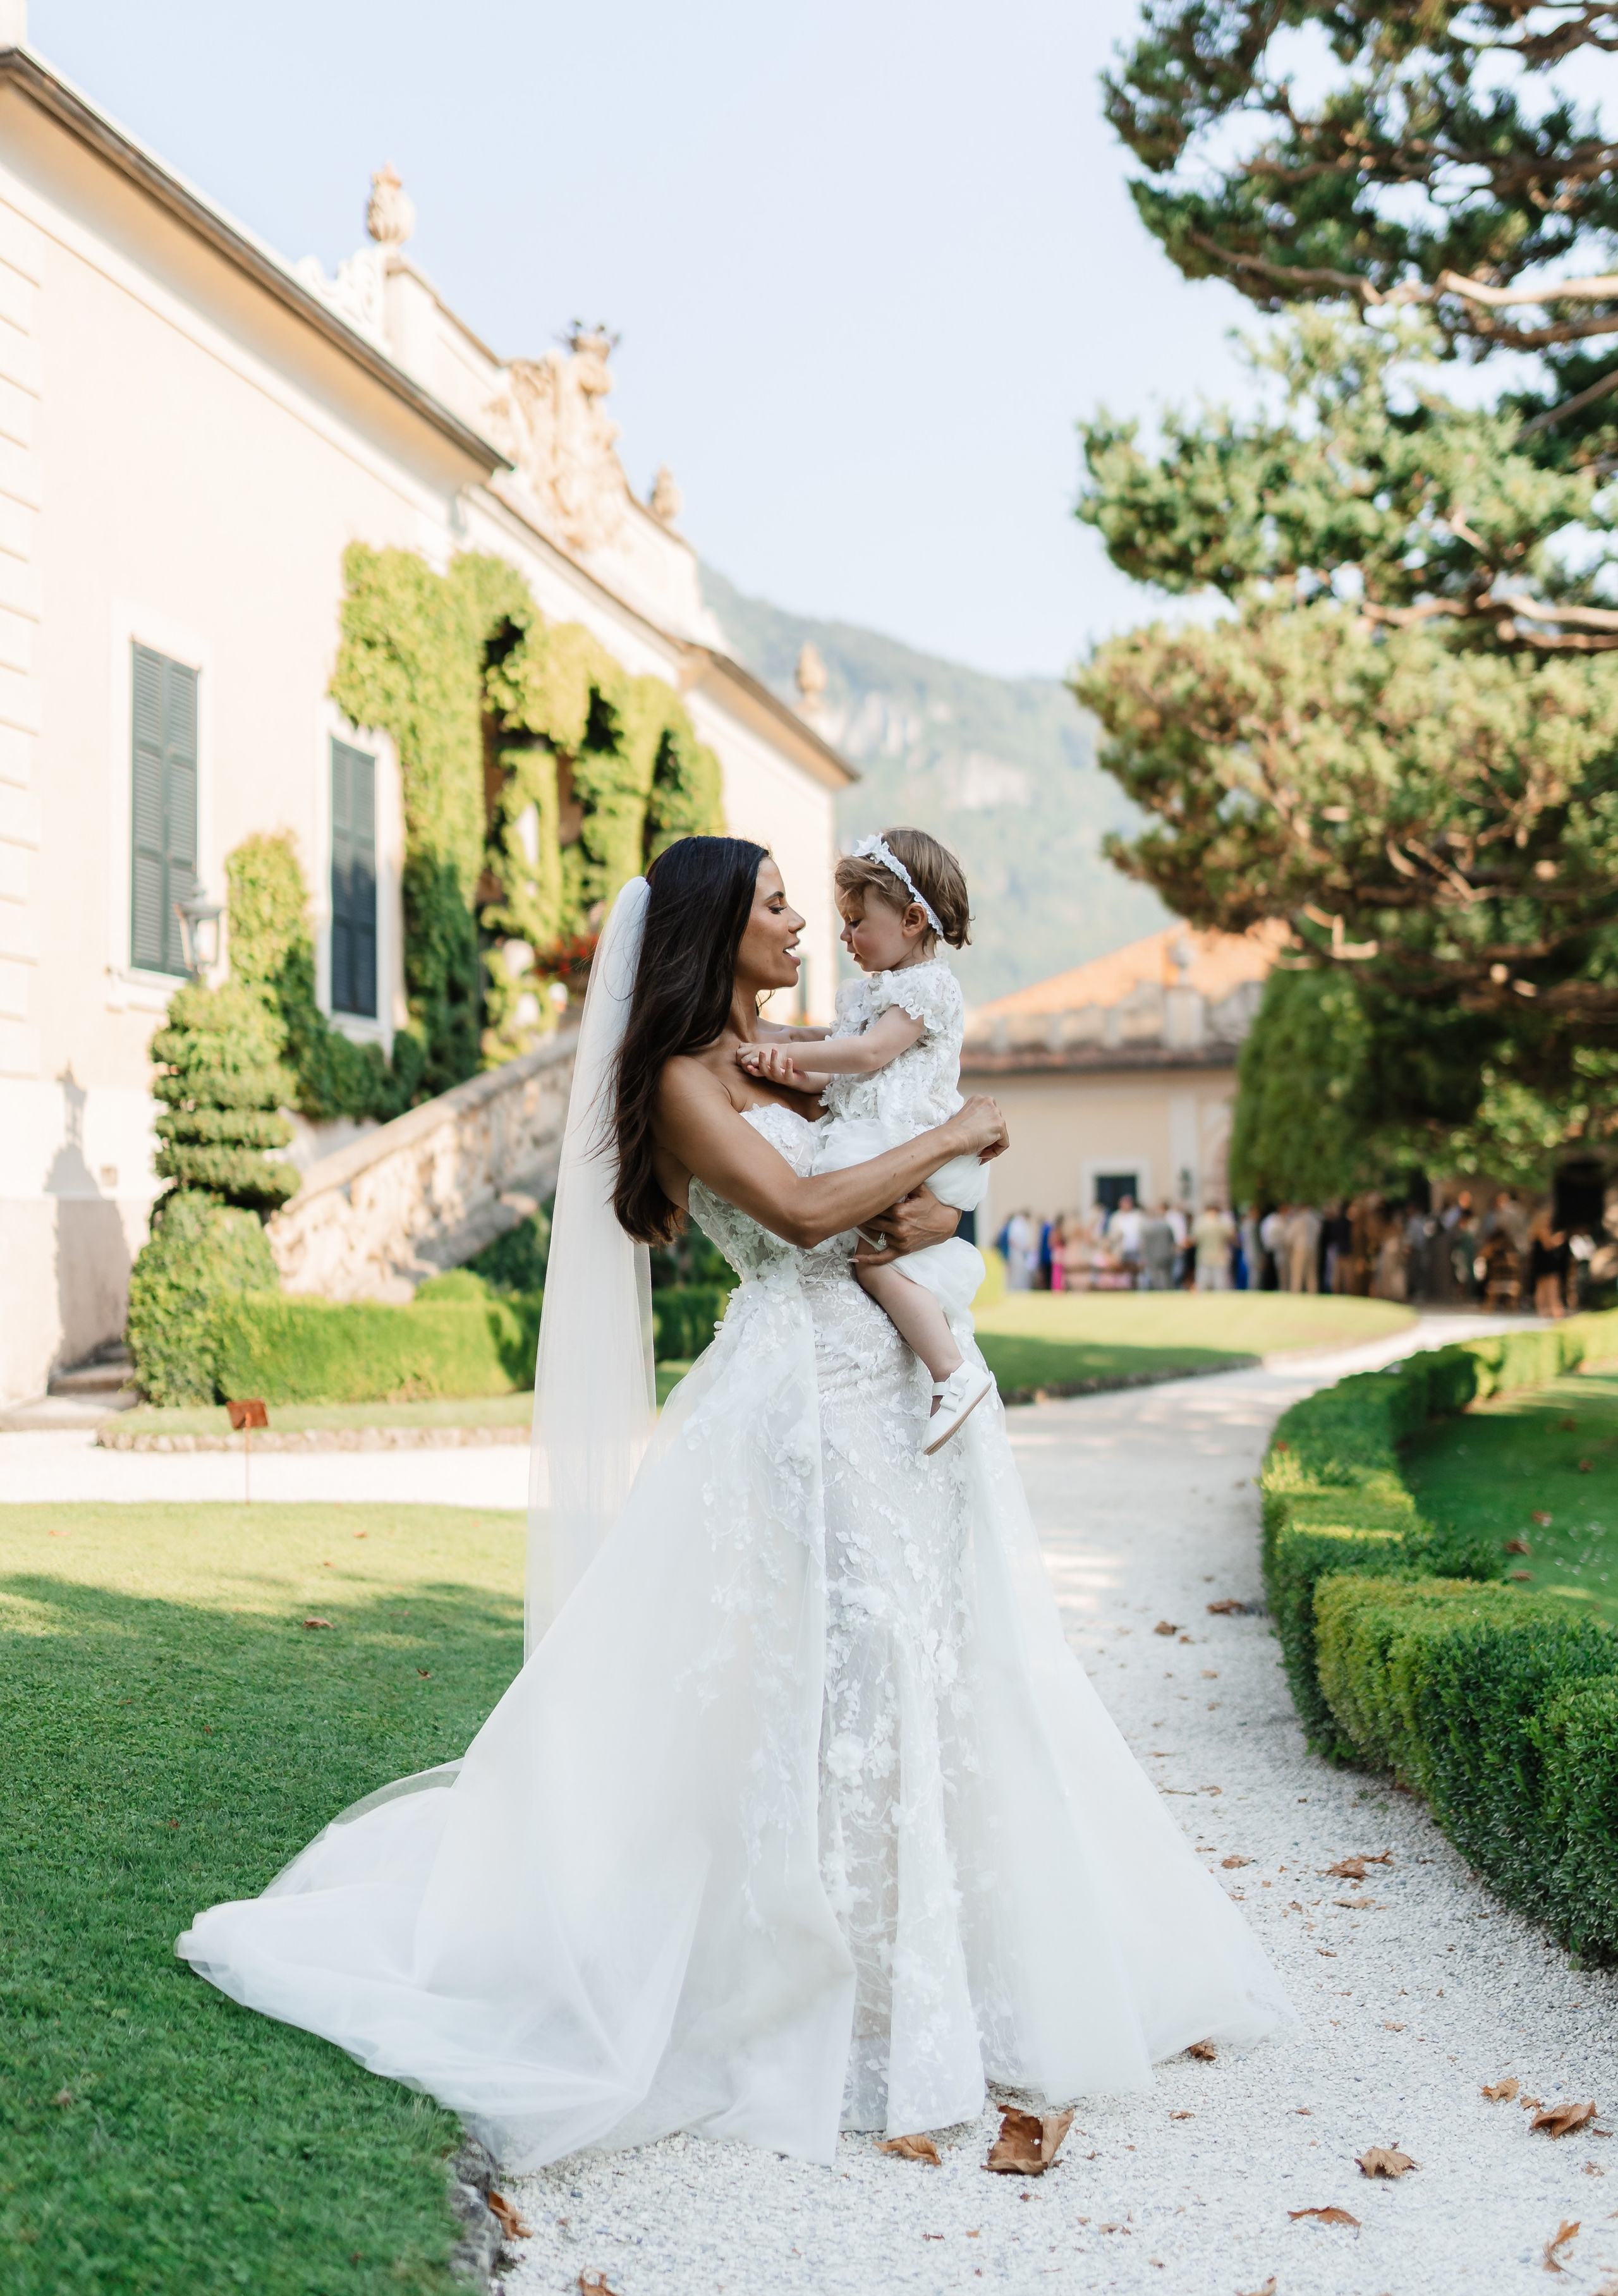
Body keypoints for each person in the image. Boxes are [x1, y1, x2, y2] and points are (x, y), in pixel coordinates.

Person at [176, 840, 1291, 2171]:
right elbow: (806, 1211)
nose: (800, 920)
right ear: (715, 928)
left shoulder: (800, 1053)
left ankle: (945, 1971)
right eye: (772, 903)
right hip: (799, 1400)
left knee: (939, 1659)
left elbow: (897, 1198)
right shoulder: (683, 1078)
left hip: (900, 1392)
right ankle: (825, 1988)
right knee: (843, 1664)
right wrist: (952, 1137)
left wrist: (938, 1203)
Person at [738, 829, 993, 1455]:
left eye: (856, 923)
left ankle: (952, 1371)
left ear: (911, 920)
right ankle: (947, 1368)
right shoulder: (871, 993)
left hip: (900, 1132)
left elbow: (870, 1054)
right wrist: (783, 1063)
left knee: (875, 1265)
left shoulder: (927, 986)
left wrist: (793, 1053)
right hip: (876, 1129)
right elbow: (836, 1072)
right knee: (883, 1259)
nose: (844, 937)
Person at [1529, 1205, 1569, 1320]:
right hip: (1547, 1262)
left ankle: (1543, 1311)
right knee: (1552, 1287)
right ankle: (1555, 1311)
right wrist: (1559, 1238)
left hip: (1540, 1261)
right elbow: (1548, 1245)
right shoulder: (1542, 1230)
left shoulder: (1534, 1231)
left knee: (1542, 1286)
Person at [1193, 1201, 1235, 1290]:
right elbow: (1232, 1236)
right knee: (1221, 1285)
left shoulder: (1200, 1222)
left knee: (1203, 1284)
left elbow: (1194, 1239)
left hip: (1204, 1256)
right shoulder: (1223, 1221)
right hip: (1220, 1257)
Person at [1108, 1192, 1145, 1287]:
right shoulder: (1116, 1217)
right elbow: (1111, 1235)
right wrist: (1118, 1235)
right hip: (1121, 1250)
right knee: (1123, 1273)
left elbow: (1143, 1233)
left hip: (1135, 1249)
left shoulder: (1137, 1216)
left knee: (1137, 1271)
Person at [1141, 1203, 1177, 1291]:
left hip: (1154, 1256)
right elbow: (1172, 1241)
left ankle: (1160, 1291)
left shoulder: (1148, 1228)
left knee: (1156, 1276)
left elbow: (1144, 1244)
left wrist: (1144, 1255)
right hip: (1167, 1254)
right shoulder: (1166, 1226)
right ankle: (1168, 1290)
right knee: (1167, 1275)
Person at [1003, 1208, 1039, 1290]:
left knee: (1022, 1274)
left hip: (1022, 1253)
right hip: (1017, 1252)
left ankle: (1021, 1289)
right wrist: (1022, 1247)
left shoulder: (1022, 1224)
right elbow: (1013, 1240)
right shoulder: (1017, 1224)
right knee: (1017, 1274)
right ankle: (1016, 1290)